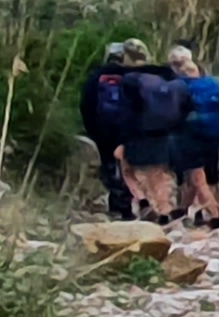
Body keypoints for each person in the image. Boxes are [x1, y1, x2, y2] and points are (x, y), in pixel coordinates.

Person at [118, 40, 195, 219]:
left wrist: (120, 139)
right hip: (164, 132)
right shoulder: (166, 77)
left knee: (126, 169)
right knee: (158, 174)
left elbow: (126, 111)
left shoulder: (130, 80)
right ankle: (164, 210)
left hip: (137, 133)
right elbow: (186, 107)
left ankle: (143, 200)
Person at [79, 38, 149, 219]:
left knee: (110, 166)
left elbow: (86, 104)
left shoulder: (98, 76)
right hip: (130, 131)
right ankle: (131, 207)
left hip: (104, 130)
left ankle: (117, 206)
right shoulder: (137, 76)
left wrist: (92, 129)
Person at [169, 47, 219, 230]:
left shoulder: (180, 87)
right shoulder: (212, 83)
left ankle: (215, 214)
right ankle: (186, 210)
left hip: (190, 135)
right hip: (214, 134)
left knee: (195, 176)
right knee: (212, 175)